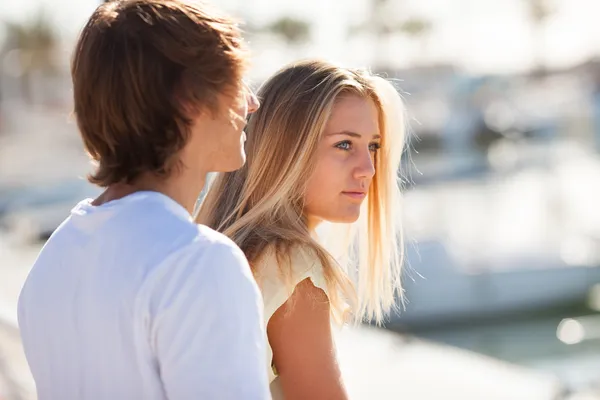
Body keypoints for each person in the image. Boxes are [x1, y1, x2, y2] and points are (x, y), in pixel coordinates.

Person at [17, 1, 270, 399]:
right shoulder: (197, 263)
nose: (251, 103)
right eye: (238, 83)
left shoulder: (53, 261)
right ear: (190, 99)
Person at [196, 59, 406, 399]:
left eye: (373, 146)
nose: (368, 168)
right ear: (287, 151)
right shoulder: (291, 263)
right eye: (344, 145)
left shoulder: (215, 251)